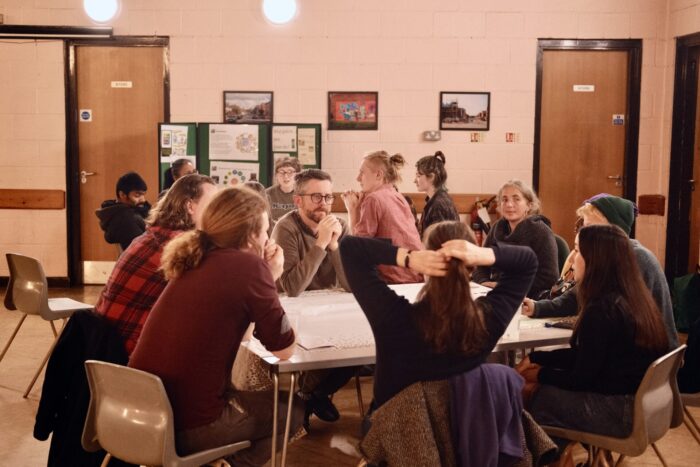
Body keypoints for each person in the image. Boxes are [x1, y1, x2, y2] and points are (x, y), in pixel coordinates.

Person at [129, 187, 302, 466]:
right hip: (189, 424)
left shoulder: (196, 257)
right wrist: (270, 277)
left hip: (142, 412)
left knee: (253, 399)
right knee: (293, 411)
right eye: (265, 230)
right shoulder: (248, 266)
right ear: (249, 235)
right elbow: (284, 349)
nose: (268, 238)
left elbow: (243, 335)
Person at [340, 220, 538, 409]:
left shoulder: (393, 317)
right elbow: (528, 261)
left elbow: (349, 247)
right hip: (461, 436)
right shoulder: (486, 322)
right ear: (472, 266)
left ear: (425, 261)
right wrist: (483, 254)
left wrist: (408, 258)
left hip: (395, 436)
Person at [518, 225, 670, 463]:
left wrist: (540, 375)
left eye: (578, 251)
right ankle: (558, 457)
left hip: (621, 414)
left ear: (595, 260)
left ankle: (547, 458)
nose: (572, 259)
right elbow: (587, 357)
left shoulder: (602, 310)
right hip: (647, 406)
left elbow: (580, 379)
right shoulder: (633, 297)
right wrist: (538, 359)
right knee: (535, 385)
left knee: (527, 393)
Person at [521, 194, 680, 349]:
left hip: (645, 354)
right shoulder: (608, 257)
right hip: (630, 351)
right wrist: (537, 307)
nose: (584, 233)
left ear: (613, 230)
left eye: (592, 227)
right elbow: (578, 295)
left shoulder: (635, 258)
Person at [94, 174, 217, 355]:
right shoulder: (181, 246)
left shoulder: (153, 234)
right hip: (130, 358)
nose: (218, 210)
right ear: (190, 206)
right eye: (213, 204)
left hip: (103, 349)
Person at [271, 169, 355, 428]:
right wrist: (320, 245)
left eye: (329, 197)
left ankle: (310, 395)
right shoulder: (285, 227)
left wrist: (335, 247)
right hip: (295, 311)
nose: (325, 204)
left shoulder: (339, 225)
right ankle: (310, 396)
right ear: (298, 200)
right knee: (327, 343)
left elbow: (351, 285)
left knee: (359, 351)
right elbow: (293, 288)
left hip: (330, 309)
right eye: (317, 197)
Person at [342, 151, 423, 284]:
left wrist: (352, 210)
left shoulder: (373, 199)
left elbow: (358, 250)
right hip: (415, 277)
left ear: (379, 175)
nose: (358, 178)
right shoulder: (397, 195)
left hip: (393, 281)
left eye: (362, 172)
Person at [472, 179, 558, 298]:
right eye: (504, 199)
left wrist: (505, 286)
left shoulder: (541, 231)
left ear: (529, 205)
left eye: (516, 199)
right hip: (497, 294)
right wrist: (484, 282)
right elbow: (480, 265)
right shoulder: (497, 228)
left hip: (529, 299)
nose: (509, 204)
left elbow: (548, 278)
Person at [96, 171, 152, 251]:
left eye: (143, 194)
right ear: (122, 195)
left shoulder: (123, 212)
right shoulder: (127, 219)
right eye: (137, 195)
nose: (143, 200)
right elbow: (141, 252)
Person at [414, 150, 459, 235]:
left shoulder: (438, 205)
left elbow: (436, 243)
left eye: (418, 176)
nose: (414, 180)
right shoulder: (437, 200)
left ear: (431, 177)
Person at [266, 156, 302, 227]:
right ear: (276, 175)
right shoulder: (267, 194)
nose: (285, 176)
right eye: (282, 172)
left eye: (290, 172)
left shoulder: (303, 195)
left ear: (297, 175)